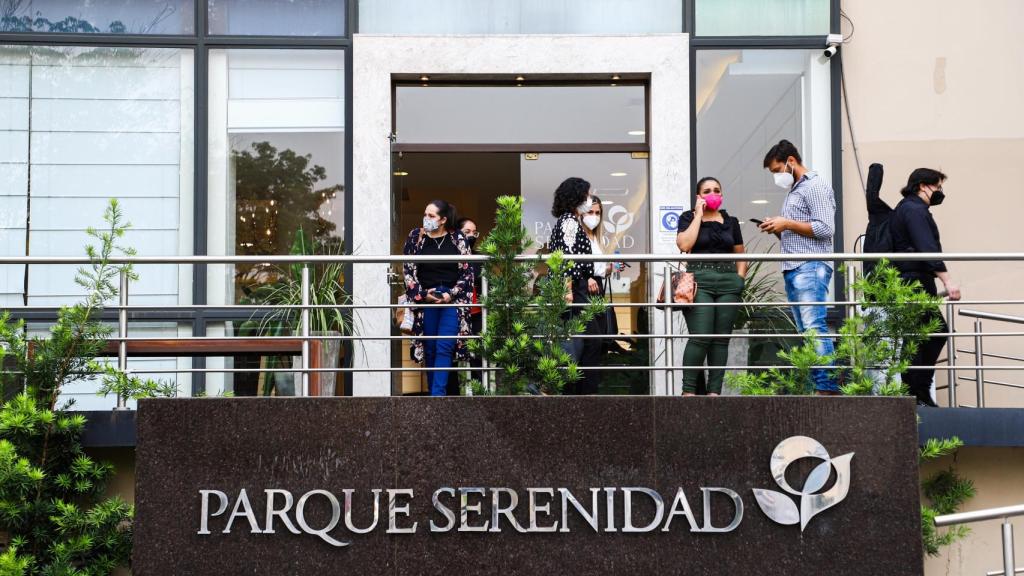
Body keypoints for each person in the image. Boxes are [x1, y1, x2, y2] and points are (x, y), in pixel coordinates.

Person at [760, 139, 838, 395]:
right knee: (807, 330)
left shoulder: (813, 186)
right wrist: (779, 228)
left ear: (791, 162)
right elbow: (801, 230)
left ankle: (826, 388)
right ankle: (820, 386)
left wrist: (787, 224)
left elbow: (826, 229)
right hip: (796, 267)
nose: (776, 177)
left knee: (814, 327)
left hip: (810, 266)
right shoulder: (794, 191)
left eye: (776, 170)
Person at [891, 168, 961, 407]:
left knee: (924, 334)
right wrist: (947, 280)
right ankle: (915, 392)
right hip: (914, 281)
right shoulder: (914, 210)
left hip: (913, 279)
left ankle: (915, 392)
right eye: (938, 187)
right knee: (932, 332)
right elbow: (927, 247)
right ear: (923, 185)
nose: (940, 193)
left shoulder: (907, 208)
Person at [676, 177, 747, 396]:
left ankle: (714, 392)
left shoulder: (731, 221)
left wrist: (740, 279)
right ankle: (688, 392)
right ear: (699, 196)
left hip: (728, 282)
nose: (713, 193)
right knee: (701, 335)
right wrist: (698, 214)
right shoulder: (688, 217)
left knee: (721, 339)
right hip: (700, 282)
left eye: (717, 190)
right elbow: (684, 245)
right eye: (707, 191)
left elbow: (741, 254)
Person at [402, 200, 474, 396]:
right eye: (425, 214)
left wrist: (450, 293)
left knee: (444, 346)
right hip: (426, 299)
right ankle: (434, 398)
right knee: (430, 348)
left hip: (450, 299)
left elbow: (468, 273)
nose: (426, 219)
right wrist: (424, 294)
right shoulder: (416, 237)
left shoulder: (457, 238)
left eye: (432, 216)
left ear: (443, 219)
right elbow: (407, 270)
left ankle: (437, 396)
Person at [547, 176, 601, 395]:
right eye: (587, 195)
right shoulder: (569, 222)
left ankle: (578, 393)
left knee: (587, 341)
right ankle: (576, 394)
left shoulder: (569, 220)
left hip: (576, 287)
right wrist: (567, 290)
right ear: (577, 196)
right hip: (573, 290)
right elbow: (566, 257)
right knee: (586, 341)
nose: (589, 200)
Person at [457, 216, 483, 391]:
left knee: (478, 356)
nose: (472, 235)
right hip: (457, 313)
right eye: (467, 232)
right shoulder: (452, 255)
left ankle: (479, 391)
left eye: (474, 232)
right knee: (455, 352)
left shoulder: (479, 258)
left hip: (477, 313)